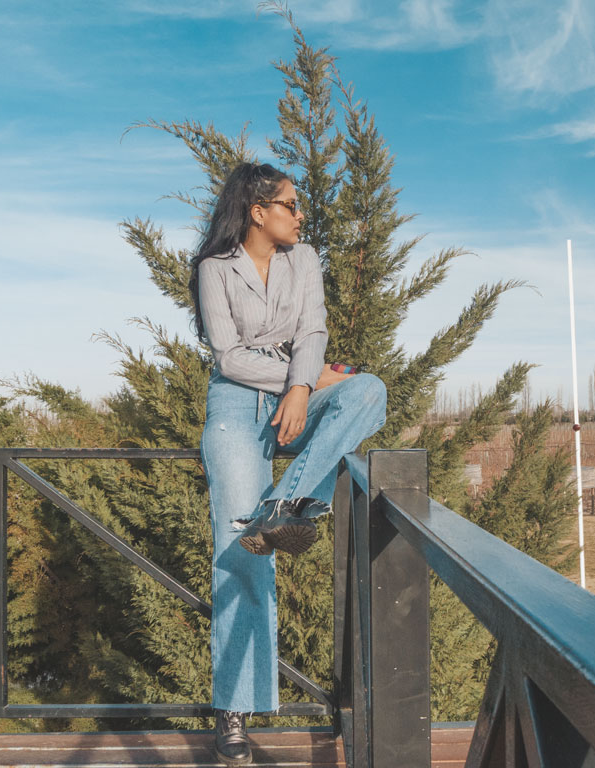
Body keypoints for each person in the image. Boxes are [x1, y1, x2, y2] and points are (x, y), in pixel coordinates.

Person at [192, 162, 387, 765]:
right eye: (291, 205)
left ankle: (284, 504)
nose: (301, 216)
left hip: (299, 396)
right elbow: (228, 358)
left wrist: (305, 387)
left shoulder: (304, 261)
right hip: (235, 407)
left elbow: (313, 331)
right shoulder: (214, 270)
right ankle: (234, 709)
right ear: (258, 210)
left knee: (368, 392)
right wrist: (299, 383)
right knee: (239, 551)